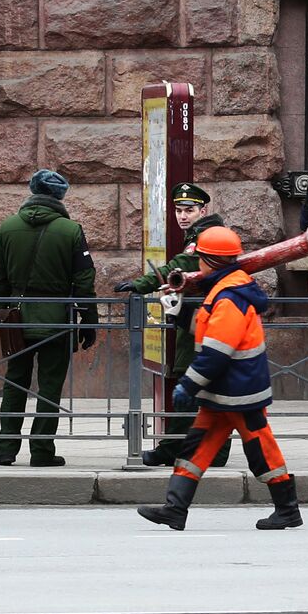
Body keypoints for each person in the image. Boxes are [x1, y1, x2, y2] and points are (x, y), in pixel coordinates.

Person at [136, 227, 302, 531]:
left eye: (199, 258)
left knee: (261, 451)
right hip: (226, 392)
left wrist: (189, 384)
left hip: (239, 393)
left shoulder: (229, 296)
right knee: (196, 449)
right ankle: (175, 508)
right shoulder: (225, 289)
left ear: (209, 261)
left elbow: (216, 352)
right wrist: (178, 315)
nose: (197, 264)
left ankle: (288, 509)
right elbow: (207, 330)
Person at [113, 182, 230, 467]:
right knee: (208, 388)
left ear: (204, 210)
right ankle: (214, 451)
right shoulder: (206, 233)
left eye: (189, 210)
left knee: (190, 386)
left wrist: (142, 283)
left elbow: (179, 265)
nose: (182, 215)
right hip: (205, 320)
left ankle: (173, 448)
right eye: (178, 210)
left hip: (201, 323)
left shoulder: (204, 237)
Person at [0, 169, 97, 467]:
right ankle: (41, 450)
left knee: (15, 381)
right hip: (57, 320)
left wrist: (5, 309)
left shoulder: (8, 227)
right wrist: (89, 321)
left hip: (17, 318)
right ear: (59, 196)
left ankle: (6, 449)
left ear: (32, 192)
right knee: (49, 385)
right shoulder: (71, 230)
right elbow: (85, 280)